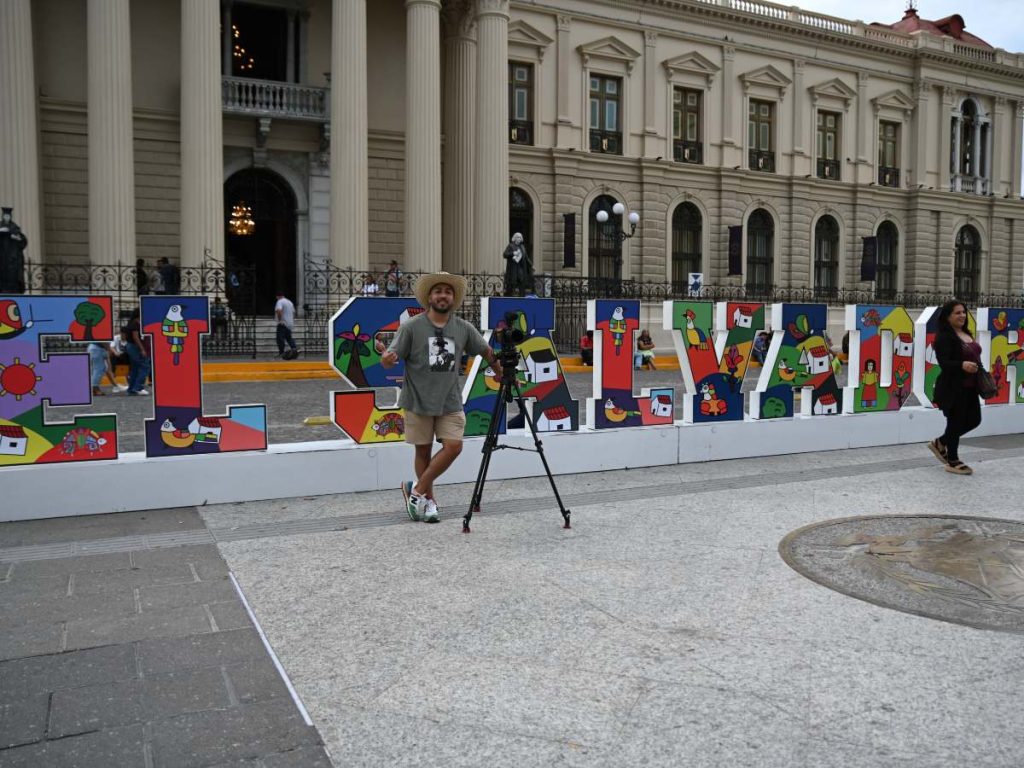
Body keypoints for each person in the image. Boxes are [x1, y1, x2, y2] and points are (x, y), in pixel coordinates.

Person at [380, 271, 503, 523]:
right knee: (423, 451)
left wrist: (500, 372)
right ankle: (428, 501)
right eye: (438, 291)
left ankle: (415, 490)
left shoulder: (463, 328)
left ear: (453, 297)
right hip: (417, 400)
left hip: (449, 401)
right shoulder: (411, 327)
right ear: (429, 297)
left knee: (453, 447)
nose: (443, 295)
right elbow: (389, 359)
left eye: (447, 292)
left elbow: (486, 350)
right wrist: (386, 360)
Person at [928, 300, 982, 475]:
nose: (962, 316)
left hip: (971, 385)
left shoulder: (966, 333)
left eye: (963, 312)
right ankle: (952, 460)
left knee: (974, 420)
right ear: (948, 316)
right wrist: (962, 365)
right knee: (955, 422)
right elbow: (944, 363)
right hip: (953, 387)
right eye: (957, 313)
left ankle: (941, 442)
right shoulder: (945, 336)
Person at [124, 308, 151, 395]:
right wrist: (142, 349)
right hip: (135, 347)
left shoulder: (135, 323)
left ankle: (131, 389)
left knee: (135, 368)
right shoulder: (135, 323)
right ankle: (138, 387)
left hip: (133, 347)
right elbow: (135, 337)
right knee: (145, 366)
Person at [0, 207, 27, 293]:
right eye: (5, 216)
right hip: (2, 257)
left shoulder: (14, 227)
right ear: (2, 216)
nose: (6, 218)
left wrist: (15, 237)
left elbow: (22, 241)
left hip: (11, 258)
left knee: (12, 276)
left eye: (8, 216)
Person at [274, 291, 299, 359]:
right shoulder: (289, 302)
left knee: (280, 338)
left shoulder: (280, 301)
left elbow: (279, 310)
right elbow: (294, 312)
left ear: (277, 296)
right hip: (289, 323)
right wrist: (291, 320)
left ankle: (281, 352)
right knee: (289, 337)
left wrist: (280, 320)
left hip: (283, 323)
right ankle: (294, 349)